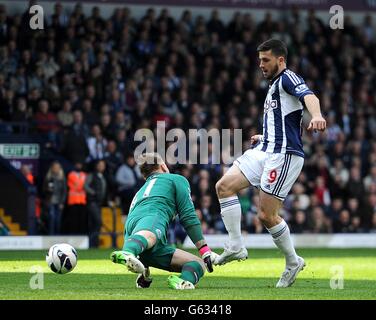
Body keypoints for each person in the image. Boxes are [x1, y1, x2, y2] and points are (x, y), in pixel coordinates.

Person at [213, 39, 326, 288]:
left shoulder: (288, 78)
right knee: (224, 186)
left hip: (284, 154)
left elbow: (309, 96)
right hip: (266, 148)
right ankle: (235, 245)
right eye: (259, 60)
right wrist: (265, 136)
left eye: (266, 60)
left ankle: (292, 261)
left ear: (281, 60)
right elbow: (286, 121)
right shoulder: (274, 85)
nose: (261, 65)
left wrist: (316, 115)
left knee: (266, 215)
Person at [111, 153, 218, 290]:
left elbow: (135, 229)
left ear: (145, 176)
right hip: (152, 218)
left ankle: (181, 282)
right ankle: (127, 252)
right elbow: (188, 216)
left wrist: (144, 269)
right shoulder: (176, 179)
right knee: (150, 234)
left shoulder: (141, 190)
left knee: (197, 263)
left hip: (133, 233)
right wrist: (204, 250)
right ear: (163, 166)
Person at [84, 160, 107, 247]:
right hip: (92, 202)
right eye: (100, 165)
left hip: (98, 203)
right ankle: (91, 242)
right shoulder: (92, 175)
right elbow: (85, 186)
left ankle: (94, 244)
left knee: (95, 224)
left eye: (103, 165)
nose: (102, 167)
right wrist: (93, 193)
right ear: (96, 166)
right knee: (97, 222)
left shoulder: (102, 176)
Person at [42, 161, 67, 235]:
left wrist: (62, 202)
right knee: (51, 218)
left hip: (59, 202)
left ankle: (57, 235)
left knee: (57, 219)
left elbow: (64, 191)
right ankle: (51, 234)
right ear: (52, 168)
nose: (56, 169)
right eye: (54, 167)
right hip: (50, 201)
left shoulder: (62, 178)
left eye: (57, 167)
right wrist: (48, 190)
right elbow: (43, 190)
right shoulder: (48, 177)